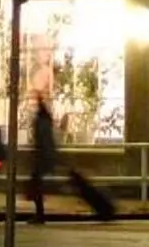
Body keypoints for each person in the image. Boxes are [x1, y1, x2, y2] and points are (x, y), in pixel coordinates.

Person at [27, 93, 117, 223]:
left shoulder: (41, 121)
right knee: (41, 185)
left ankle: (39, 215)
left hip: (43, 158)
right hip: (47, 156)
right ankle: (39, 214)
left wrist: (42, 157)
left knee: (37, 185)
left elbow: (43, 142)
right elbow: (49, 141)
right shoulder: (45, 120)